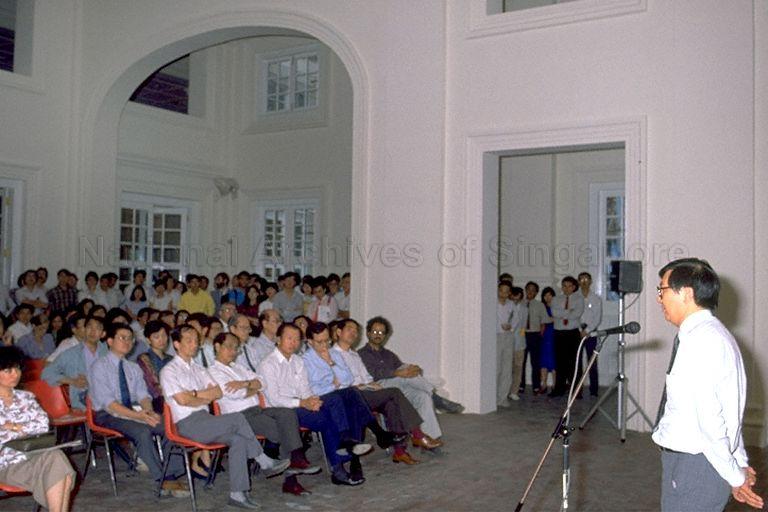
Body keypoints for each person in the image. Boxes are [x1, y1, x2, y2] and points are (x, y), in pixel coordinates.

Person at [653, 258, 763, 511]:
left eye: (663, 290)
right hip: (698, 464)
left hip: (697, 467)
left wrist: (734, 475)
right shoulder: (707, 335)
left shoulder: (702, 341)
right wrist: (738, 463)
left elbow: (711, 422)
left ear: (686, 293)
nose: (659, 299)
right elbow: (727, 411)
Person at [159, 323, 288, 510]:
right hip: (187, 424)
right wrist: (199, 395)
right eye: (189, 341)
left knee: (238, 441)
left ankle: (237, 494)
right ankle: (263, 460)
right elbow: (182, 400)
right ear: (177, 344)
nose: (194, 344)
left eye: (196, 340)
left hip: (206, 421)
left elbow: (217, 393)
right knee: (237, 418)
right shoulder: (169, 371)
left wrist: (194, 394)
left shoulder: (198, 369)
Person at [256, 322, 370, 486]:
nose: (293, 343)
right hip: (280, 411)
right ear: (278, 339)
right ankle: (339, 465)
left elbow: (305, 388)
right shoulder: (268, 364)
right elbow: (274, 399)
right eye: (289, 338)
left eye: (296, 339)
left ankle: (344, 451)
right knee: (326, 419)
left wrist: (311, 400)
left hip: (300, 406)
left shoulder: (297, 361)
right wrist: (303, 402)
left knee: (336, 401)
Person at [207, 332, 321, 496]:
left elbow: (262, 383)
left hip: (258, 410)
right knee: (283, 430)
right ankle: (291, 479)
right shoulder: (212, 372)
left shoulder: (237, 367)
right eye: (229, 347)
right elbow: (235, 394)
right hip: (240, 416)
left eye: (236, 348)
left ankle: (295, 458)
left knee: (287, 414)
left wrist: (245, 384)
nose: (233, 351)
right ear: (217, 347)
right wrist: (252, 388)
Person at [87, 322, 189, 497]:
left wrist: (148, 412)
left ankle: (172, 471)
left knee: (168, 424)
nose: (127, 342)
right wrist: (138, 416)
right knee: (142, 431)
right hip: (106, 415)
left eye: (130, 339)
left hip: (132, 411)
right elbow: (109, 404)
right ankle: (163, 478)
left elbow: (143, 395)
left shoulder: (132, 367)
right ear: (109, 341)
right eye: (122, 338)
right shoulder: (99, 367)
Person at [332, 319, 438, 463]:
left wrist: (372, 384)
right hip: (352, 395)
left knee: (392, 404)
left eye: (356, 330)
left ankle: (399, 451)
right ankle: (417, 434)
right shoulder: (332, 355)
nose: (354, 333)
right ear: (338, 332)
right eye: (349, 329)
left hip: (367, 391)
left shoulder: (354, 354)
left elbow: (367, 376)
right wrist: (366, 384)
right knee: (394, 392)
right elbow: (339, 383)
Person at [359, 316, 463, 443]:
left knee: (422, 395)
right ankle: (437, 399)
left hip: (397, 387)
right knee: (404, 374)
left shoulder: (389, 354)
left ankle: (428, 438)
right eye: (375, 331)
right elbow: (375, 373)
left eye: (381, 332)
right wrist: (400, 372)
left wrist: (413, 369)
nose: (377, 335)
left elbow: (402, 370)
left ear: (385, 335)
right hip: (378, 387)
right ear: (368, 333)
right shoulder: (362, 354)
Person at [0, 346, 76, 512]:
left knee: (56, 459)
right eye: (7, 370)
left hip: (34, 456)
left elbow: (42, 424)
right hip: (5, 463)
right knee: (60, 467)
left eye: (17, 368)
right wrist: (24, 427)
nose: (15, 374)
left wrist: (12, 426)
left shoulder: (26, 397)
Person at [42, 315, 109, 410]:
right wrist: (72, 381)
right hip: (84, 397)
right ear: (85, 330)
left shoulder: (107, 352)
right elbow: (46, 373)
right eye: (89, 327)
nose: (92, 331)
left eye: (97, 328)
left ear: (103, 334)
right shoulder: (71, 353)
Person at [549, 276, 584, 398]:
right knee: (560, 362)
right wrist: (568, 312)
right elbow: (554, 312)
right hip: (559, 333)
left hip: (572, 333)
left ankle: (576, 391)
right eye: (564, 286)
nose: (566, 288)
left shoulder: (579, 299)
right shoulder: (555, 299)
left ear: (574, 287)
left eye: (569, 286)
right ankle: (559, 388)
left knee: (574, 362)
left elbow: (577, 314)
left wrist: (563, 313)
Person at [522, 281, 550, 395]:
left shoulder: (540, 305)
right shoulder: (520, 303)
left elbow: (544, 321)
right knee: (521, 362)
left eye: (533, 290)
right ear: (525, 290)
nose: (530, 292)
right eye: (528, 289)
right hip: (522, 334)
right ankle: (521, 385)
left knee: (535, 362)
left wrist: (540, 335)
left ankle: (536, 386)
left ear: (536, 292)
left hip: (535, 334)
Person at [577, 272, 603, 397]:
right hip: (577, 333)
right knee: (577, 363)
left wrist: (587, 331)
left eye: (586, 279)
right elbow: (573, 315)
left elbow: (597, 318)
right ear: (578, 282)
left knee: (592, 362)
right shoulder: (575, 297)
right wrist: (579, 330)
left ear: (591, 281)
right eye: (581, 280)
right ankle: (578, 391)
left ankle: (594, 390)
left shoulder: (596, 299)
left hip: (591, 334)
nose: (584, 282)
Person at [496, 280, 515, 407]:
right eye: (502, 290)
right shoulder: (491, 303)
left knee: (507, 368)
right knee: (496, 368)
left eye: (507, 291)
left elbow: (516, 319)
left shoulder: (512, 304)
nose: (504, 293)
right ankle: (492, 396)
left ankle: (503, 398)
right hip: (495, 336)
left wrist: (511, 326)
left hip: (508, 337)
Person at [539, 287, 557, 393]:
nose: (548, 297)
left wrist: (548, 320)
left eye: (550, 295)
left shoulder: (557, 307)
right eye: (545, 295)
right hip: (544, 336)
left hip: (554, 335)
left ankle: (555, 385)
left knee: (554, 361)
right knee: (543, 361)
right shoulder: (541, 307)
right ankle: (543, 384)